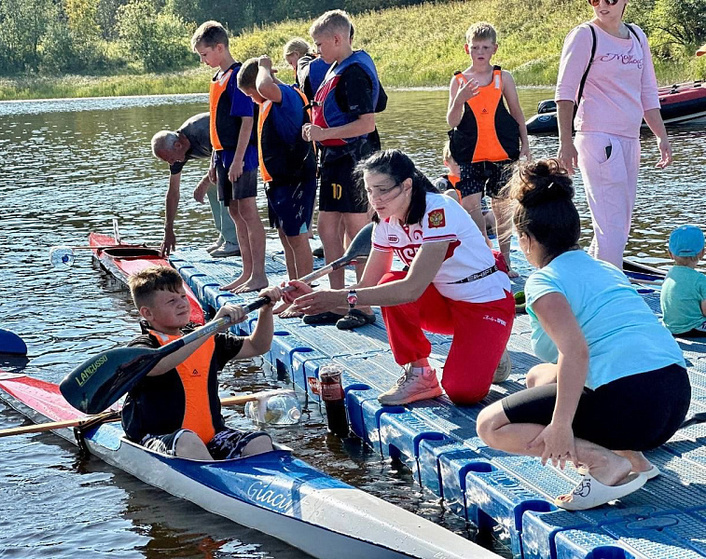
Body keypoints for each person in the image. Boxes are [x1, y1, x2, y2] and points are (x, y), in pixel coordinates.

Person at [476, 159, 689, 511]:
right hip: (674, 397)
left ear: (527, 240)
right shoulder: (604, 267)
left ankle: (604, 463)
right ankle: (635, 460)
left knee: (490, 426)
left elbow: (576, 354)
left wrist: (560, 427)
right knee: (537, 376)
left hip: (633, 407)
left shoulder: (543, 281)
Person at [284, 149, 515, 406]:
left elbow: (411, 290)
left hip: (486, 303)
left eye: (382, 190)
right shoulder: (385, 222)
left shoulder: (437, 212)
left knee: (462, 393)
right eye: (369, 190)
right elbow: (366, 289)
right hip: (445, 304)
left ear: (407, 185)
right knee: (389, 283)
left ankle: (492, 344)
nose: (375, 199)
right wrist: (311, 296)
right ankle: (421, 375)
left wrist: (339, 297)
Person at [121, 266, 282, 460]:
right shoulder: (143, 346)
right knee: (188, 441)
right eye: (171, 301)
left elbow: (258, 346)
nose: (182, 304)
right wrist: (211, 328)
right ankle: (218, 483)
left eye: (183, 297)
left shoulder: (205, 337)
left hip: (212, 437)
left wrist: (266, 309)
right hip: (159, 439)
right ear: (148, 313)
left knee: (260, 441)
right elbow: (160, 365)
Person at [555, 0, 671, 269]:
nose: (602, 5)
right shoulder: (585, 35)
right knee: (612, 227)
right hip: (597, 138)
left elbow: (648, 92)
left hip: (630, 138)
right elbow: (565, 93)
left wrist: (661, 136)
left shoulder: (638, 36)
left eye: (609, 0)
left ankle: (594, 280)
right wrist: (565, 142)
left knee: (619, 225)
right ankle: (612, 296)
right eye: (595, 0)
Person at [302, 9, 387, 330]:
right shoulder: (334, 67)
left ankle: (362, 305)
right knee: (327, 229)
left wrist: (322, 133)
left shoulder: (353, 73)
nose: (317, 50)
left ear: (338, 39)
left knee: (357, 231)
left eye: (320, 44)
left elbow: (367, 122)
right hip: (334, 160)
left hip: (354, 159)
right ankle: (338, 300)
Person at [447, 22, 530, 278]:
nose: (480, 52)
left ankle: (505, 261)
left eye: (485, 47)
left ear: (494, 49)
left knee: (502, 210)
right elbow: (451, 121)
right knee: (472, 207)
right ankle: (486, 255)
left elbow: (516, 112)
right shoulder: (459, 81)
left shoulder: (502, 77)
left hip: (501, 152)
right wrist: (460, 99)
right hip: (470, 154)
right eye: (474, 48)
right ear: (467, 49)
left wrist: (525, 144)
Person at [192, 21, 268, 293]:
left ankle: (259, 274)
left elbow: (247, 120)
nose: (203, 60)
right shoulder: (217, 79)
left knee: (247, 210)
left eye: (204, 54)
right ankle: (247, 273)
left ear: (219, 47)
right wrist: (215, 159)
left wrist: (237, 160)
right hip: (222, 155)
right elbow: (216, 123)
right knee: (235, 212)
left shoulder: (237, 77)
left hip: (242, 155)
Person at [237, 56, 317, 318]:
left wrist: (263, 65)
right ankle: (293, 293)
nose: (252, 99)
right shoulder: (270, 101)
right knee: (285, 236)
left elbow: (264, 87)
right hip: (278, 182)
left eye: (250, 93)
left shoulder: (283, 95)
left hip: (294, 179)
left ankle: (306, 297)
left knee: (297, 237)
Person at [151, 113, 239, 257]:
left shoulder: (200, 131)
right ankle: (225, 236)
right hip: (224, 156)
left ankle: (234, 241)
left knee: (220, 180)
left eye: (170, 159)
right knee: (212, 184)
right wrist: (168, 230)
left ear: (178, 145)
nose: (172, 163)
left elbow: (224, 155)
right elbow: (173, 193)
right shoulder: (177, 152)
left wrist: (204, 182)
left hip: (241, 144)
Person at [661, 224, 706, 338]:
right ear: (702, 252)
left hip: (670, 327)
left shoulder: (670, 275)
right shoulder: (701, 280)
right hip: (691, 329)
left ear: (670, 253)